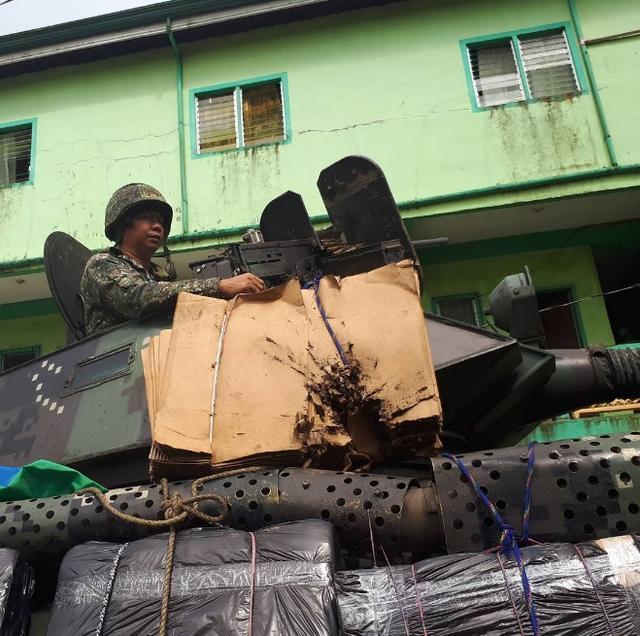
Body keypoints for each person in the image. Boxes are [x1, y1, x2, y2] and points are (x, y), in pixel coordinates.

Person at [80, 183, 264, 336]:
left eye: (161, 221)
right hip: (115, 363)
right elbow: (138, 297)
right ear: (123, 224)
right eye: (148, 218)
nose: (158, 226)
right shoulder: (102, 264)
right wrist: (220, 286)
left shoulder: (158, 275)